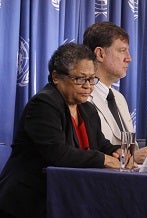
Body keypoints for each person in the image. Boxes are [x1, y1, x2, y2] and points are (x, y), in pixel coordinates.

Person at [0, 43, 133, 218]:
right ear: (56, 77)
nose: (88, 86)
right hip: (31, 200)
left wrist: (116, 152)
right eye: (80, 78)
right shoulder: (44, 104)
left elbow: (101, 144)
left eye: (92, 79)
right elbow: (57, 154)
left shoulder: (87, 109)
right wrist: (105, 160)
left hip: (71, 197)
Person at [83, 21, 147, 164]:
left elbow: (131, 147)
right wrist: (131, 158)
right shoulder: (82, 97)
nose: (129, 58)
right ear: (100, 54)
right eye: (122, 51)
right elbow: (91, 151)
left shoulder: (119, 98)